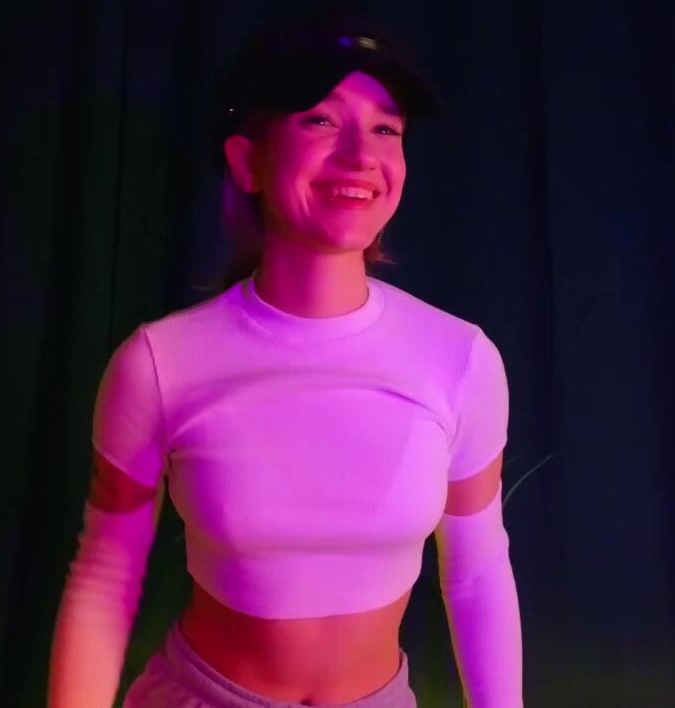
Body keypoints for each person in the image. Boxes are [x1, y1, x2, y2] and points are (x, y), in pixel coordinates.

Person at [48, 12, 523, 708]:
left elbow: (477, 572)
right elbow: (105, 574)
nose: (361, 155)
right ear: (248, 162)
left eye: (386, 129)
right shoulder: (157, 363)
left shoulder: (459, 360)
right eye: (321, 120)